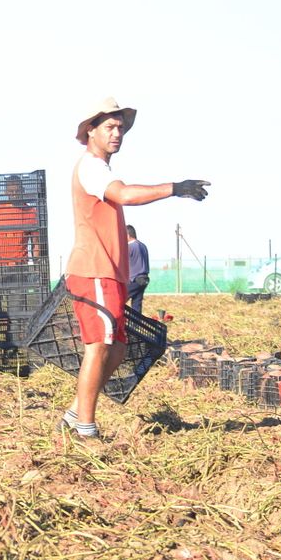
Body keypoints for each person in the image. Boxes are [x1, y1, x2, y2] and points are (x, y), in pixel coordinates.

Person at [60, 98, 207, 441]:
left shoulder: (101, 168)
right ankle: (85, 429)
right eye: (109, 127)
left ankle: (73, 414)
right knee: (99, 346)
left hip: (110, 273)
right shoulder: (92, 167)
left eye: (120, 128)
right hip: (93, 269)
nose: (117, 134)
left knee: (119, 349)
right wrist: (175, 188)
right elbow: (123, 195)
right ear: (90, 132)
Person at [0, 175, 42, 316]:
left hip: (19, 268)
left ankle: (15, 336)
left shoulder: (31, 212)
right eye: (10, 191)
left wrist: (37, 264)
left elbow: (36, 243)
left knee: (16, 314)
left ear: (22, 190)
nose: (13, 194)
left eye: (16, 190)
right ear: (5, 192)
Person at [126, 225, 150, 316]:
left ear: (127, 235)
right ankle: (135, 327)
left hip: (134, 280)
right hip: (144, 279)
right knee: (136, 306)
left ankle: (116, 326)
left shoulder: (130, 247)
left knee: (118, 300)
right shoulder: (143, 246)